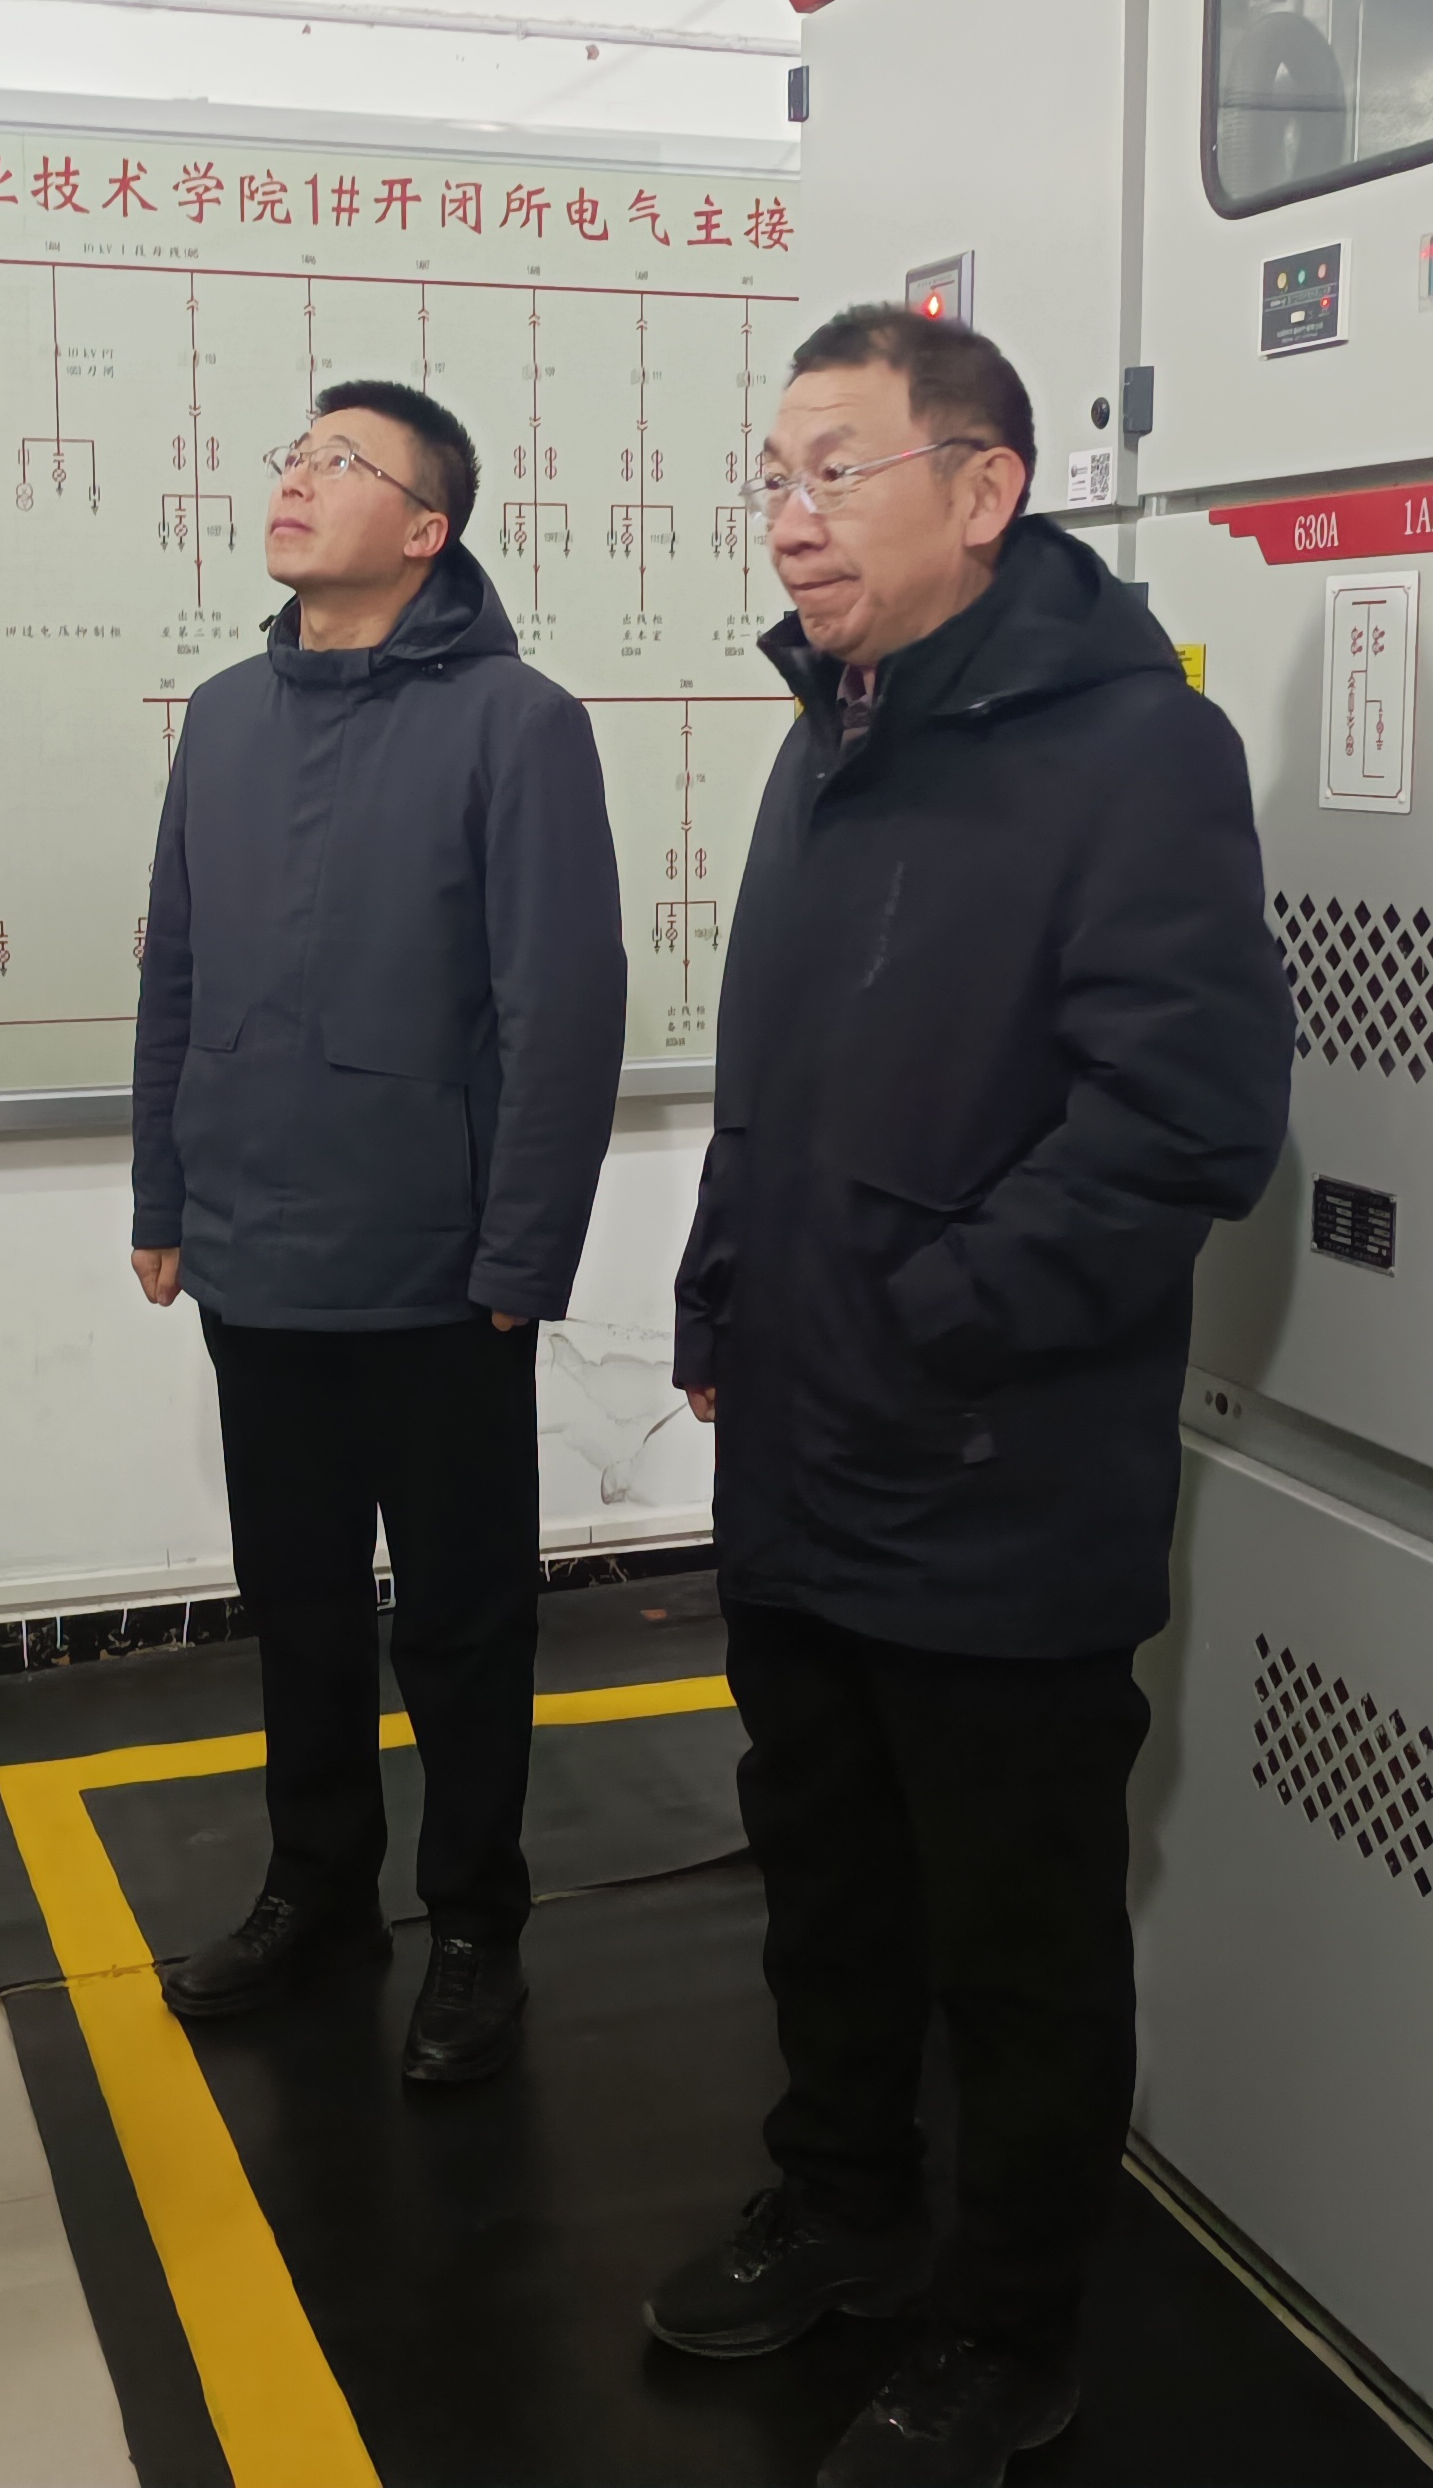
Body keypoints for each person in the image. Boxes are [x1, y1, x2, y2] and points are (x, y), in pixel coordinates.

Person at [644, 307, 1292, 2488]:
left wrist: (939, 1317)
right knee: (822, 1870)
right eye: (775, 477)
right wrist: (727, 1292)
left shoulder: (1134, 750)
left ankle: (1010, 2331)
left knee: (1018, 1938)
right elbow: (774, 1069)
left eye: (837, 471)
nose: (793, 518)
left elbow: (1186, 1118)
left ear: (987, 488)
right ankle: (841, 2205)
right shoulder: (833, 730)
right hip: (802, 1440)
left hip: (997, 1465)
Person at [129, 378, 625, 2083]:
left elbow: (562, 1013)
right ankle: (318, 1891)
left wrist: (523, 1257)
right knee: (300, 1602)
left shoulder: (517, 724)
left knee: (466, 1620)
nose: (295, 478)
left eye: (339, 462)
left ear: (426, 528)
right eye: (293, 453)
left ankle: (477, 1925)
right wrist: (162, 1192)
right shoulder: (223, 716)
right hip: (252, 1253)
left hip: (437, 1270)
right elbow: (175, 969)